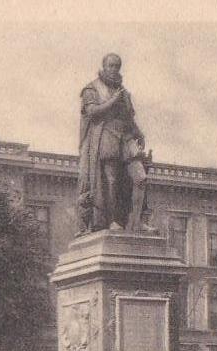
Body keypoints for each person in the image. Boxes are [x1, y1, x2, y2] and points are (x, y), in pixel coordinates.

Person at [77, 52, 152, 233]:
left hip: (126, 138)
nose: (114, 69)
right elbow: (92, 112)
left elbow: (129, 118)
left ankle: (139, 220)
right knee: (111, 180)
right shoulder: (91, 89)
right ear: (104, 67)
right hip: (105, 137)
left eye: (117, 66)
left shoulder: (123, 93)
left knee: (140, 177)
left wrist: (138, 132)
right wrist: (113, 101)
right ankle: (112, 220)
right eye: (110, 66)